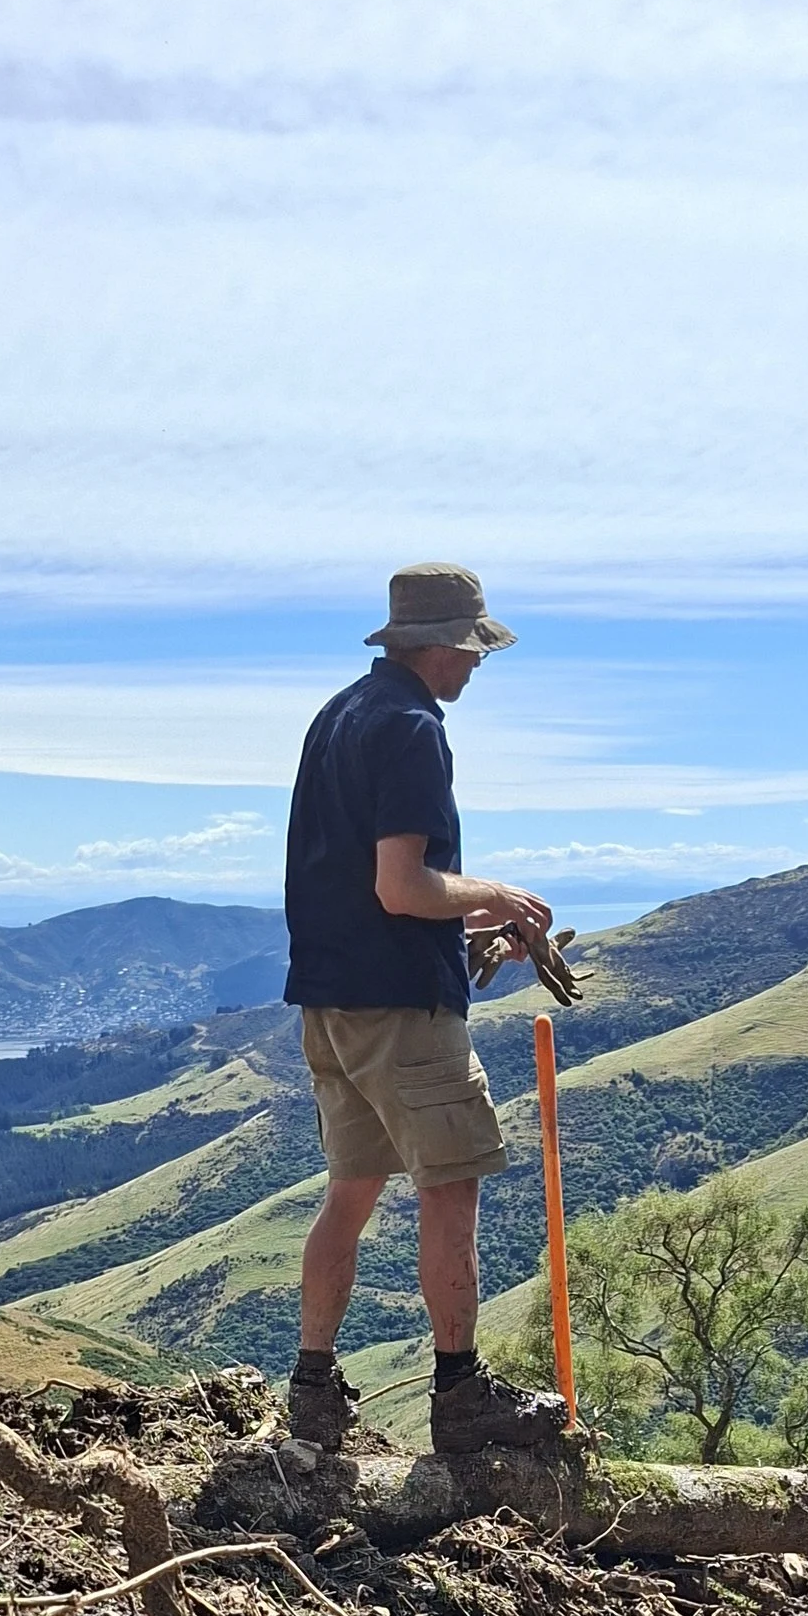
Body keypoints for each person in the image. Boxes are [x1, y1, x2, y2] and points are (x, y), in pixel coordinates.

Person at [279, 559, 575, 1459]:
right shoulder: (412, 728)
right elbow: (402, 888)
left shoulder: (339, 715)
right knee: (450, 1190)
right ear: (440, 644)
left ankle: (312, 1390)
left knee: (350, 1193)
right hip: (403, 1008)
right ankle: (461, 1395)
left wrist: (482, 918)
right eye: (472, 647)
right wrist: (498, 895)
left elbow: (370, 890)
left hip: (330, 1002)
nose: (477, 664)